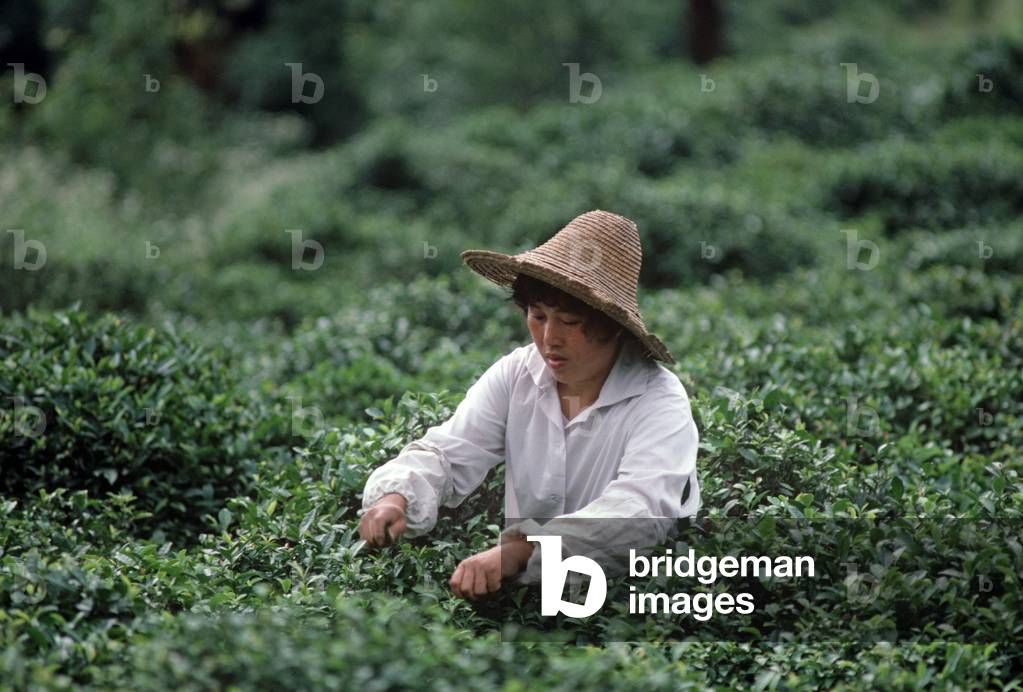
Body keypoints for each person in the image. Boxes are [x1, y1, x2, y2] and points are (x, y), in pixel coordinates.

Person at [357, 210, 700, 600]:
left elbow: (639, 512)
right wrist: (397, 497)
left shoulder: (658, 400)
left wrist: (521, 552)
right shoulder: (517, 374)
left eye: (569, 321)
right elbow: (449, 453)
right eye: (538, 316)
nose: (549, 338)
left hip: (629, 602)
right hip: (522, 599)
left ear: (613, 325)